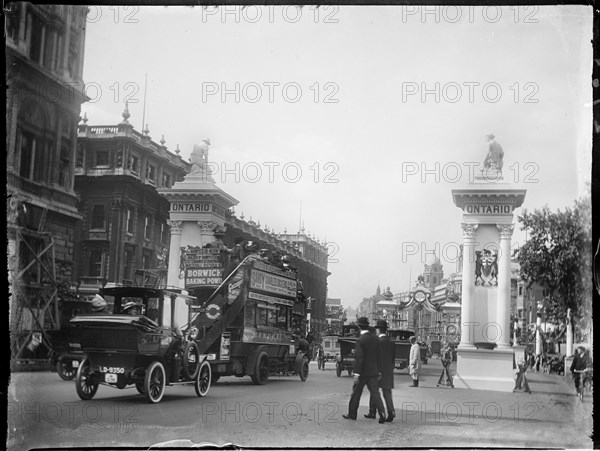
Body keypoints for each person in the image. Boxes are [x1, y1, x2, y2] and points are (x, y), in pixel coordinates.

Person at [342, 317, 386, 423]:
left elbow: (359, 358)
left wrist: (357, 373)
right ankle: (382, 413)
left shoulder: (360, 340)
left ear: (359, 327)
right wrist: (379, 371)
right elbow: (380, 356)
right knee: (375, 394)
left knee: (356, 394)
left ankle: (352, 414)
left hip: (362, 373)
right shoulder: (376, 339)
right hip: (373, 372)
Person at [368, 320, 396, 422]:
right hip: (388, 371)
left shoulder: (376, 341)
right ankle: (391, 412)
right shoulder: (391, 342)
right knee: (387, 393)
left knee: (374, 391)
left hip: (377, 370)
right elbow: (393, 359)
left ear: (378, 330)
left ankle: (373, 412)